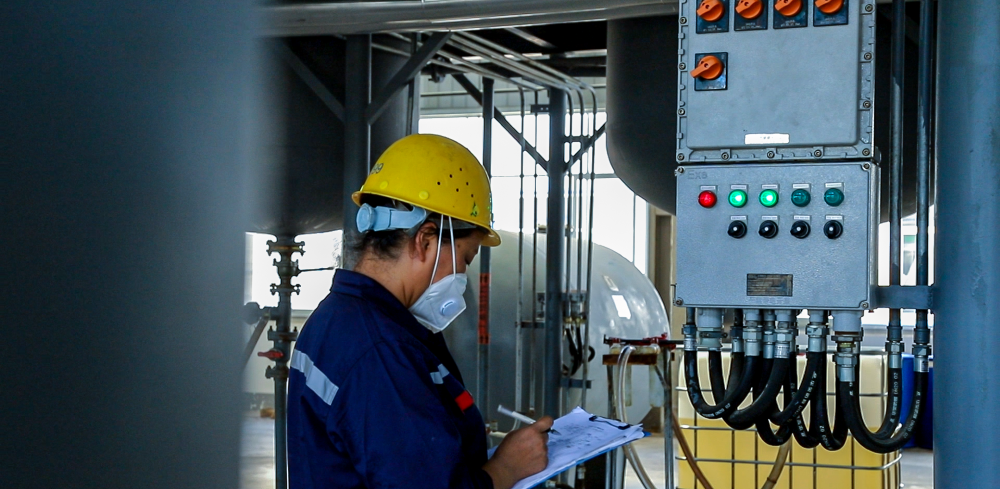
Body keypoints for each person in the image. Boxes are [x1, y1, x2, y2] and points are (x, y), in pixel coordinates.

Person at [287, 134, 551, 489]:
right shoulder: (381, 352)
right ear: (425, 240)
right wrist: (506, 469)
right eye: (466, 258)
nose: (462, 276)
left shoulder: (334, 318)